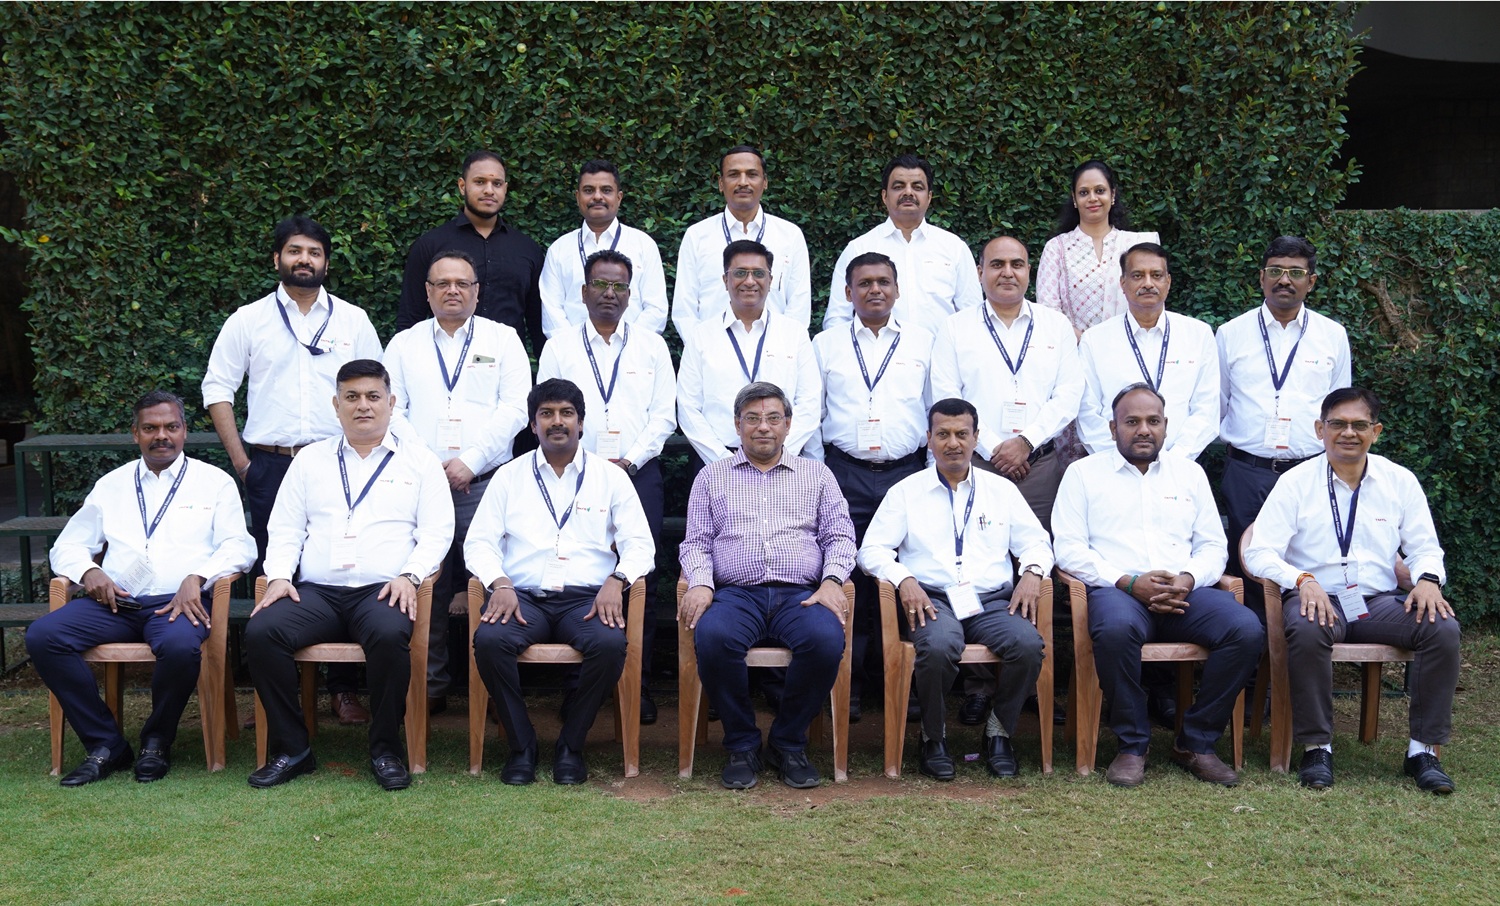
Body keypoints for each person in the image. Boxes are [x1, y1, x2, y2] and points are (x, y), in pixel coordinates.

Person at [202, 215, 383, 726]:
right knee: (280, 573)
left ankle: (344, 691)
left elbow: (380, 388)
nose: (304, 260)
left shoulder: (352, 320)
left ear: (326, 262)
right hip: (272, 465)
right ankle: (283, 693)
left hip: (343, 464)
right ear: (277, 258)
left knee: (342, 569)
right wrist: (243, 460)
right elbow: (217, 388)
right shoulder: (248, 320)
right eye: (294, 251)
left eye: (314, 252)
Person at [245, 359, 454, 791]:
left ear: (392, 403)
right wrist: (280, 575)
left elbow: (437, 532)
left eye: (373, 397)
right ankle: (293, 748)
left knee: (388, 634)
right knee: (263, 632)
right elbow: (285, 527)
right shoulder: (309, 461)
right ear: (336, 405)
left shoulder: (420, 462)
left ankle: (385, 749)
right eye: (352, 398)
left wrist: (411, 576)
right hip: (316, 593)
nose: (363, 406)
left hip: (383, 590)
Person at [29, 391, 255, 785]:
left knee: (181, 647)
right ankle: (105, 744)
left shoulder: (213, 483)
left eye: (171, 427)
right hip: (114, 603)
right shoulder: (112, 485)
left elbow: (239, 545)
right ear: (136, 434)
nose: (161, 436)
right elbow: (68, 544)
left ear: (185, 431)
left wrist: (198, 576)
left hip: (178, 605)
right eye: (150, 428)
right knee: (44, 636)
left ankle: (156, 741)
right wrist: (88, 573)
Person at [1244, 387, 1459, 794]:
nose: (1348, 433)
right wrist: (1301, 581)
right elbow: (1259, 552)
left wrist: (1429, 579)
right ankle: (1317, 747)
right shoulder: (1296, 483)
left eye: (1359, 425)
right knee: (1307, 630)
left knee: (1442, 627)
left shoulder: (1399, 481)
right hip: (1317, 598)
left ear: (1375, 431)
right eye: (1338, 424)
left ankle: (1422, 752)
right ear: (1319, 429)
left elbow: (1425, 547)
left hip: (1376, 602)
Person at [1052, 383, 1263, 788]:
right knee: (1114, 630)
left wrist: (1186, 579)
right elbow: (1069, 549)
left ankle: (1196, 743)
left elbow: (1212, 545)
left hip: (1186, 594)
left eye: (1153, 421)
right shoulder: (1083, 475)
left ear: (1166, 427)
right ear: (1113, 429)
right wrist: (1129, 582)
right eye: (1132, 422)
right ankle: (1132, 745)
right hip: (1117, 592)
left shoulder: (1191, 474)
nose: (1143, 430)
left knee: (1246, 629)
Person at [465, 379, 656, 785]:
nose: (557, 422)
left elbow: (640, 544)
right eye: (547, 414)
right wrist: (499, 583)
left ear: (581, 423)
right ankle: (523, 746)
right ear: (532, 425)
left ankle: (571, 745)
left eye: (566, 413)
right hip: (521, 598)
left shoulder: (610, 477)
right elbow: (478, 542)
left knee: (608, 645)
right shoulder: (508, 477)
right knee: (490, 641)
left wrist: (617, 579)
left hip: (587, 599)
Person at [858, 398, 1053, 780]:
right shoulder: (906, 491)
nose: (953, 443)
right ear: (928, 439)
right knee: (938, 646)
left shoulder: (1001, 490)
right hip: (932, 599)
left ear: (976, 438)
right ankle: (933, 736)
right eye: (943, 434)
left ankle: (999, 732)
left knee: (1029, 645)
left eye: (962, 434)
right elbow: (872, 550)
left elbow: (1037, 543)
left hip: (993, 601)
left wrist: (1032, 572)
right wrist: (903, 578)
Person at [678, 382, 857, 789]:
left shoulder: (817, 474)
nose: (764, 428)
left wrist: (832, 581)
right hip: (736, 594)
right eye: (753, 419)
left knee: (826, 641)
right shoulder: (711, 476)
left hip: (802, 594)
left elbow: (840, 537)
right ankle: (741, 743)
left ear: (788, 425)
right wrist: (702, 584)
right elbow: (696, 542)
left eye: (773, 418)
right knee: (715, 637)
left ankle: (788, 743)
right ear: (738, 425)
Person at [382, 250, 531, 716]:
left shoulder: (503, 340)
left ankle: (492, 690)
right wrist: (431, 465)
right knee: (426, 580)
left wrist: (469, 460)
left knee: (491, 580)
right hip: (419, 484)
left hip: (485, 482)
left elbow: (515, 408)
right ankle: (430, 687)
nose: (453, 290)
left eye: (462, 283)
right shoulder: (404, 345)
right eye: (442, 283)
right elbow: (393, 410)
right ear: (426, 292)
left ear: (477, 291)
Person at [536, 250, 677, 724]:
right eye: (600, 285)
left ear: (630, 295)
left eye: (619, 287)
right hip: (575, 474)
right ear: (583, 292)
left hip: (639, 473)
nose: (610, 294)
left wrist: (629, 460)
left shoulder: (652, 346)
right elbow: (548, 410)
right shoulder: (559, 345)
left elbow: (663, 415)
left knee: (641, 578)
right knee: (582, 569)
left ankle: (634, 684)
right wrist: (594, 463)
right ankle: (580, 685)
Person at [810, 252, 932, 721]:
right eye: (864, 283)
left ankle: (904, 681)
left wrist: (926, 474)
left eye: (883, 281)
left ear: (898, 290)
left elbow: (932, 408)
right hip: (845, 472)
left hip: (906, 473)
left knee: (907, 571)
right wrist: (825, 475)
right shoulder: (825, 344)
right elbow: (813, 411)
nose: (874, 290)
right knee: (845, 574)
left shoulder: (923, 342)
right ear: (848, 293)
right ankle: (849, 681)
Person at [1217, 236, 1351, 576]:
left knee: (1307, 558)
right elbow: (1218, 402)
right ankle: (1250, 629)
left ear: (1311, 281)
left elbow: (1339, 410)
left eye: (1296, 272)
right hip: (1247, 472)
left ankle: (1303, 626)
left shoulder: (1332, 335)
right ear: (1262, 277)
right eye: (1275, 270)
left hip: (1309, 470)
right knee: (1246, 563)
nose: (1284, 280)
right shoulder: (1231, 333)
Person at [931, 235, 1083, 531]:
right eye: (997, 264)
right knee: (976, 554)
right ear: (980, 272)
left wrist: (1025, 443)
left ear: (1029, 270)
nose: (1007, 272)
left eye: (1017, 264)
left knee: (1037, 560)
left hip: (1039, 466)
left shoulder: (1056, 326)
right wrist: (993, 450)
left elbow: (1068, 395)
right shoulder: (955, 328)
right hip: (974, 463)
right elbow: (947, 397)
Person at [677, 239, 821, 472]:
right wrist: (724, 461)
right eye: (740, 273)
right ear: (725, 280)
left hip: (783, 463)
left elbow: (809, 402)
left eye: (759, 273)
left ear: (771, 280)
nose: (750, 281)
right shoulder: (701, 336)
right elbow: (688, 407)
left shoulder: (794, 333)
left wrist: (779, 454)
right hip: (718, 462)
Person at [1077, 243, 1219, 460]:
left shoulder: (1198, 335)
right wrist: (1120, 461)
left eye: (1156, 275)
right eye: (1137, 275)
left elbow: (1206, 410)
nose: (1148, 283)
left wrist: (1175, 461)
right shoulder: (1095, 340)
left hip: (1180, 466)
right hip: (1112, 469)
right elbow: (1087, 412)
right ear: (1123, 283)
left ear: (1168, 282)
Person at [396, 150, 545, 352]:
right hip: (442, 362)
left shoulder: (527, 249)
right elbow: (410, 318)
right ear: (462, 186)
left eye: (497, 184)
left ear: (506, 189)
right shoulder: (431, 245)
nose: (489, 190)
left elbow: (537, 323)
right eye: (480, 182)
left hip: (506, 365)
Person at [821, 154, 982, 338]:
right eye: (898, 187)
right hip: (875, 361)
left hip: (941, 360)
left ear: (929, 197)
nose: (908, 192)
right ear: (884, 196)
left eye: (917, 187)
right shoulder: (859, 248)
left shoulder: (954, 249)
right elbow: (837, 318)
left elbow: (972, 316)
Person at [671, 145, 811, 340]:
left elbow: (799, 307)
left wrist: (781, 349)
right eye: (734, 175)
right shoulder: (697, 236)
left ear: (765, 183)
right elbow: (684, 309)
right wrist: (704, 348)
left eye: (752, 175)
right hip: (713, 354)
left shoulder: (790, 235)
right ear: (721, 183)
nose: (743, 182)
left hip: (775, 355)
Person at [538, 159, 669, 338]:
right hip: (572, 358)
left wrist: (628, 345)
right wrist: (575, 349)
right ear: (577, 197)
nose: (597, 196)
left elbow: (656, 309)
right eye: (588, 190)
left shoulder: (643, 245)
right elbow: (551, 310)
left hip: (633, 357)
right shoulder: (559, 249)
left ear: (619, 197)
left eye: (606, 190)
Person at [1036, 159, 1160, 337]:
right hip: (1075, 352)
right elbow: (1048, 311)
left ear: (1113, 194)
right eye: (1084, 192)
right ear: (1074, 199)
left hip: (1131, 348)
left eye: (1100, 191)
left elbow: (1152, 301)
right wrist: (1087, 343)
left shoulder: (1136, 245)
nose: (1092, 198)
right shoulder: (1056, 248)